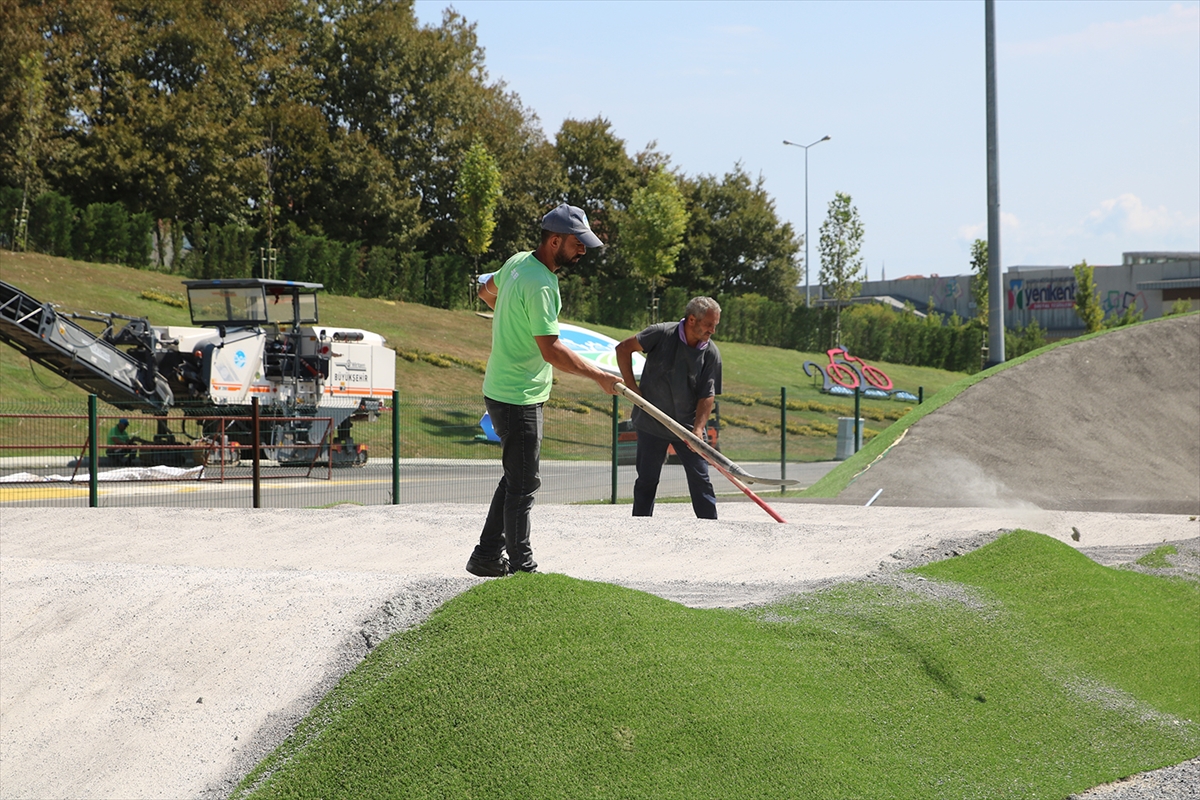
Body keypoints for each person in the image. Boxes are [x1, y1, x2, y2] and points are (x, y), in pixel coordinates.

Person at [466, 203, 622, 577]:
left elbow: (487, 292)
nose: (583, 250)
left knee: (516, 477)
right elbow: (551, 350)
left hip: (499, 388)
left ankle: (486, 555)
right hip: (519, 396)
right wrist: (599, 375)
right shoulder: (542, 284)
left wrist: (511, 319)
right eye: (578, 243)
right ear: (555, 241)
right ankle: (523, 567)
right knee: (524, 485)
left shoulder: (518, 261)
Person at [615, 297, 722, 519]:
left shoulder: (710, 353)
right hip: (651, 422)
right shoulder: (662, 334)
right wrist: (632, 387)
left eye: (715, 325)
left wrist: (698, 429)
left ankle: (711, 528)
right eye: (709, 324)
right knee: (647, 479)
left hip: (686, 429)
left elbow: (707, 395)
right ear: (692, 320)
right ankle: (640, 527)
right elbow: (623, 349)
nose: (713, 330)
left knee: (701, 479)